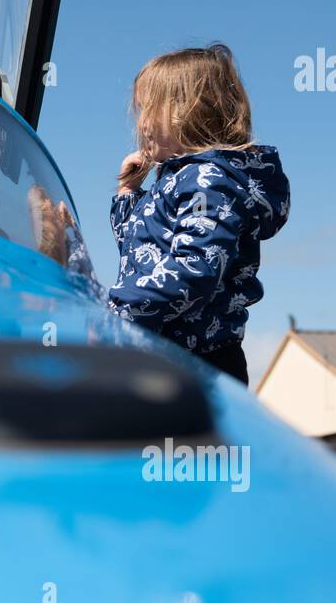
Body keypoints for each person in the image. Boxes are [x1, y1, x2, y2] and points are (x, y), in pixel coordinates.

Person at [107, 44, 289, 384]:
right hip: (166, 355)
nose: (140, 123)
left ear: (185, 112)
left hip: (199, 364)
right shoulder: (179, 180)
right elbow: (141, 252)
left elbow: (194, 268)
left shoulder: (208, 183)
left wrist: (116, 312)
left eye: (147, 109)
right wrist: (128, 194)